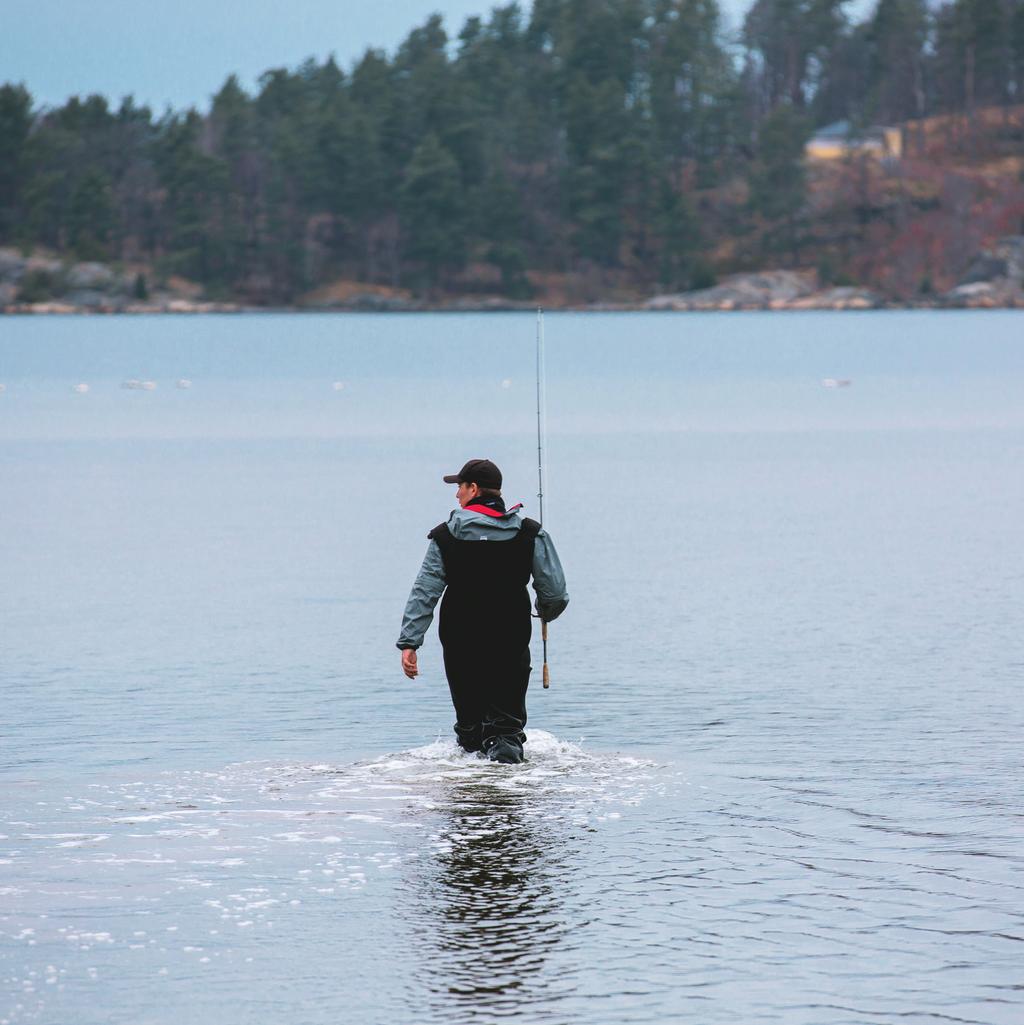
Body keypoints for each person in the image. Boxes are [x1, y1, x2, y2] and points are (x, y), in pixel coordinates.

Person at [397, 458, 569, 764]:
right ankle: (506, 787)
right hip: (510, 639)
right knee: (506, 729)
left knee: (470, 734)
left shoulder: (444, 537)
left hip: (460, 640)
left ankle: (472, 798)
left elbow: (425, 592)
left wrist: (410, 641)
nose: (456, 495)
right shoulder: (530, 533)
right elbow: (554, 593)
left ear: (473, 489)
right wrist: (545, 611)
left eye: (460, 487)